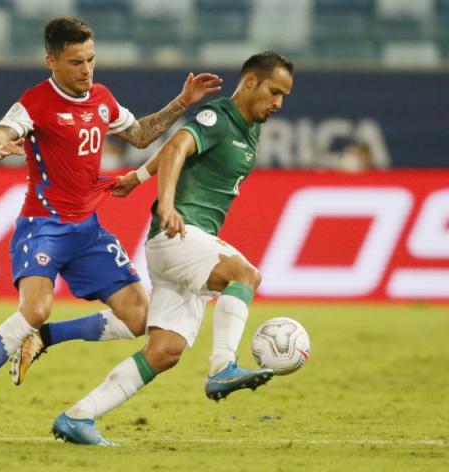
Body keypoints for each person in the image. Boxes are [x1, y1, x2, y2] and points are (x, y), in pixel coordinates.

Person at [0, 16, 222, 441]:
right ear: (52, 61)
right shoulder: (34, 103)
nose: (87, 69)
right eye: (77, 62)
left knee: (139, 318)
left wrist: (182, 101)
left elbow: (138, 135)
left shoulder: (102, 98)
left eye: (91, 59)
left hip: (87, 230)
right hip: (42, 227)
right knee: (36, 308)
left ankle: (44, 339)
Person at [44, 51, 294, 446]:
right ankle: (222, 366)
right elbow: (178, 145)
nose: (278, 103)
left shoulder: (249, 128)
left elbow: (179, 150)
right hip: (177, 235)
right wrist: (166, 202)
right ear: (250, 81)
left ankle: (78, 417)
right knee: (245, 275)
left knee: (165, 351)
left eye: (284, 96)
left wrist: (140, 175)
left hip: (187, 243)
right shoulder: (219, 117)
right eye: (274, 92)